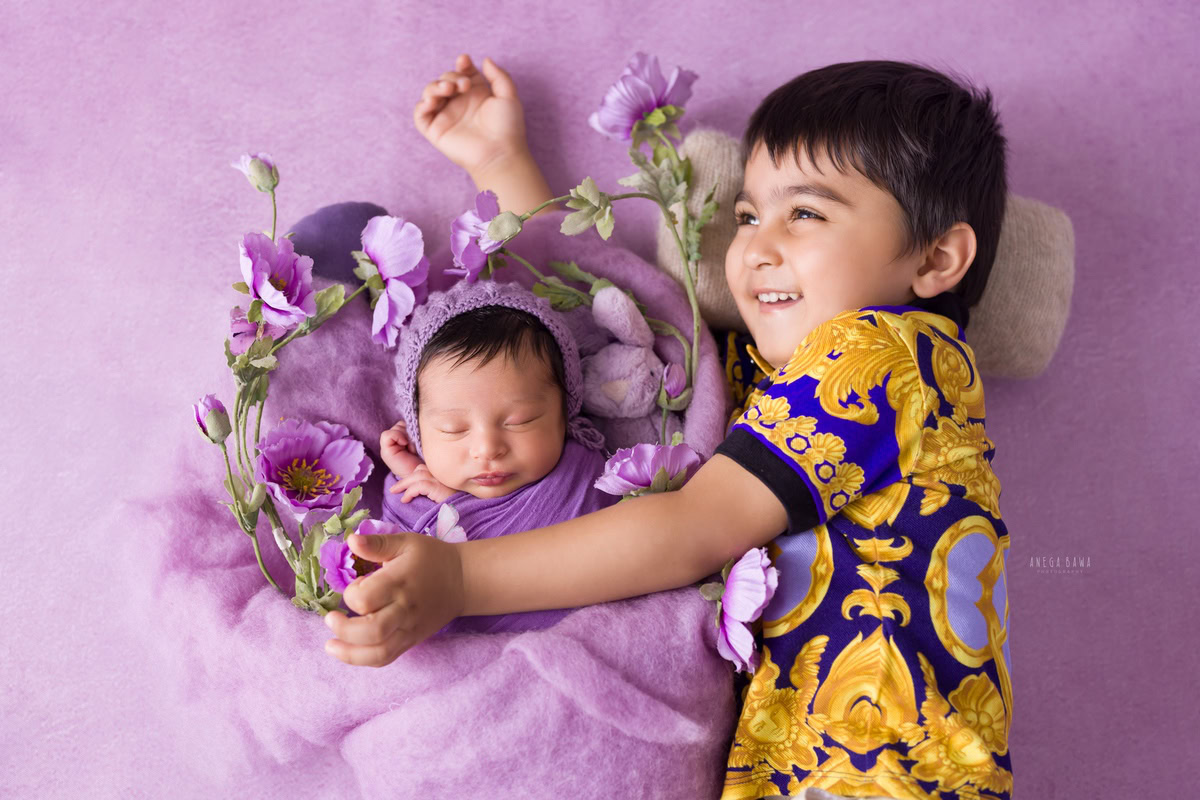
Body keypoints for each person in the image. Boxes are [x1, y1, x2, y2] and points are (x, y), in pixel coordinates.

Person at [324, 54, 1014, 799]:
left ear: (937, 257)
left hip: (887, 773)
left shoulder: (886, 356)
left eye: (805, 213)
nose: (755, 246)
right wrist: (502, 163)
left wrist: (459, 578)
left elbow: (695, 525)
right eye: (749, 215)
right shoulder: (779, 384)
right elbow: (592, 335)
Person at [377, 278, 616, 633]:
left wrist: (457, 505)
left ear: (565, 412)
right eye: (453, 429)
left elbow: (595, 555)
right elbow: (395, 573)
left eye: (521, 421)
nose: (487, 450)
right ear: (417, 431)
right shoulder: (412, 491)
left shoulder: (582, 477)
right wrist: (424, 483)